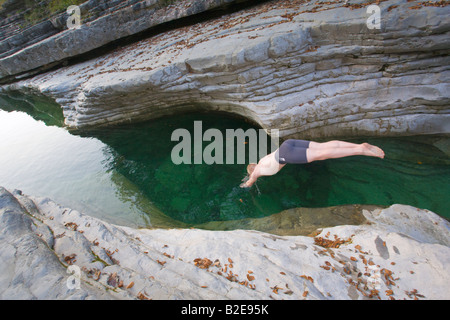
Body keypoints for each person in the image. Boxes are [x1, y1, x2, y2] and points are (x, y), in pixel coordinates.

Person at [240, 139, 385, 188]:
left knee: (323, 154)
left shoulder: (257, 171)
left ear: (252, 170)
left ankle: (360, 150)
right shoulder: (262, 160)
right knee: (323, 147)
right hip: (287, 144)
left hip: (285, 154)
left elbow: (249, 183)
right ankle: (358, 145)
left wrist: (244, 183)